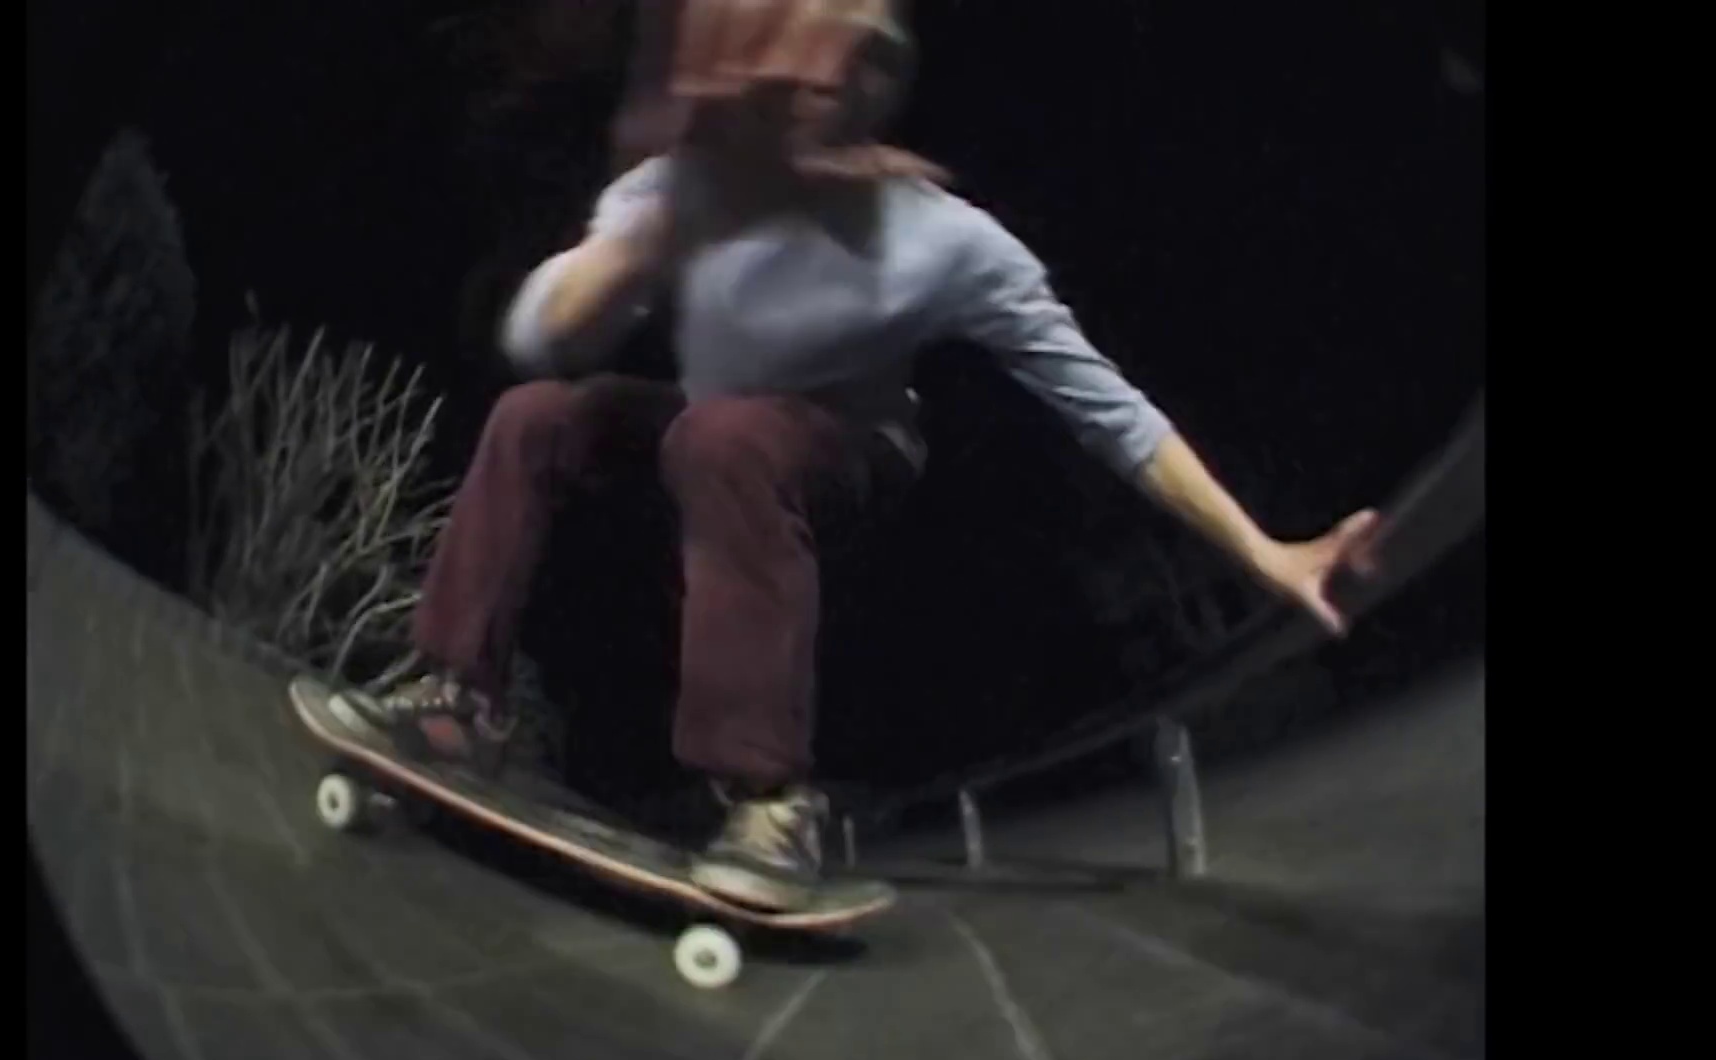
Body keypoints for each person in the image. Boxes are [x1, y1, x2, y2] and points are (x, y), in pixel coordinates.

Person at [325, 0, 1378, 912]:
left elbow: (1109, 411)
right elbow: (534, 339)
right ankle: (456, 699)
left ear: (878, 95)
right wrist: (652, 241)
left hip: (858, 451)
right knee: (542, 418)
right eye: (793, 75)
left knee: (724, 439)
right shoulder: (678, 188)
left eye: (849, 76)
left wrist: (1267, 551)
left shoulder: (944, 240)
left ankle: (769, 798)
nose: (814, 101)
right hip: (710, 428)